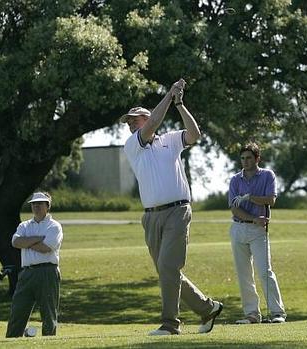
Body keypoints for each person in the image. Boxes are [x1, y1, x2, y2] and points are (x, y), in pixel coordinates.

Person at [120, 79, 223, 336]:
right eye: (129, 121)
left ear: (147, 116)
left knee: (168, 267)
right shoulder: (132, 145)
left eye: (135, 119)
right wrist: (169, 95)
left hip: (178, 211)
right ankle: (208, 308)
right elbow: (154, 123)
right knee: (167, 271)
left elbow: (195, 135)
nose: (131, 124)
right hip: (151, 217)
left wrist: (179, 104)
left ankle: (170, 324)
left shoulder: (170, 140)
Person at [228, 142, 286, 324]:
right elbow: (234, 209)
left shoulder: (267, 175)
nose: (245, 162)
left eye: (249, 158)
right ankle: (252, 314)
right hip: (239, 228)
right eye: (243, 158)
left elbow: (271, 199)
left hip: (259, 231)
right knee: (244, 274)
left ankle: (277, 313)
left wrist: (249, 197)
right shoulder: (235, 180)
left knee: (264, 272)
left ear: (257, 159)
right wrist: (253, 217)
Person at [6, 192, 63, 337]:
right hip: (27, 272)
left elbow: (46, 248)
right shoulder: (24, 225)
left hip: (47, 271)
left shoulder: (54, 226)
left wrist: (27, 242)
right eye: (33, 204)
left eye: (40, 203)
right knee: (17, 311)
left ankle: (48, 343)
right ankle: (11, 342)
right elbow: (16, 242)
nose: (36, 206)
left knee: (48, 313)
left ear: (47, 206)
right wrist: (38, 239)